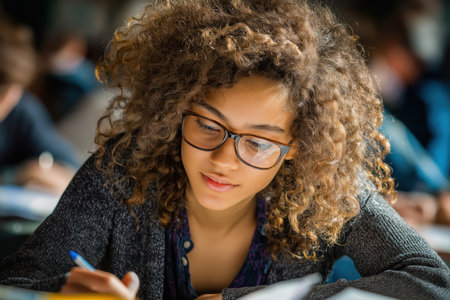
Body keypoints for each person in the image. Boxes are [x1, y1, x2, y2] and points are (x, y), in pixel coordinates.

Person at [0, 1, 448, 299]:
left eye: (257, 142)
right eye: (208, 125)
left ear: (296, 145)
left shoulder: (328, 189)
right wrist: (58, 293)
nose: (222, 159)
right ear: (178, 110)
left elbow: (432, 280)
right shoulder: (124, 169)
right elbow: (18, 282)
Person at [0, 14, 80, 195]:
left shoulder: (22, 111)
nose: (4, 103)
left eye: (6, 94)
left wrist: (25, 173)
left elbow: (75, 176)